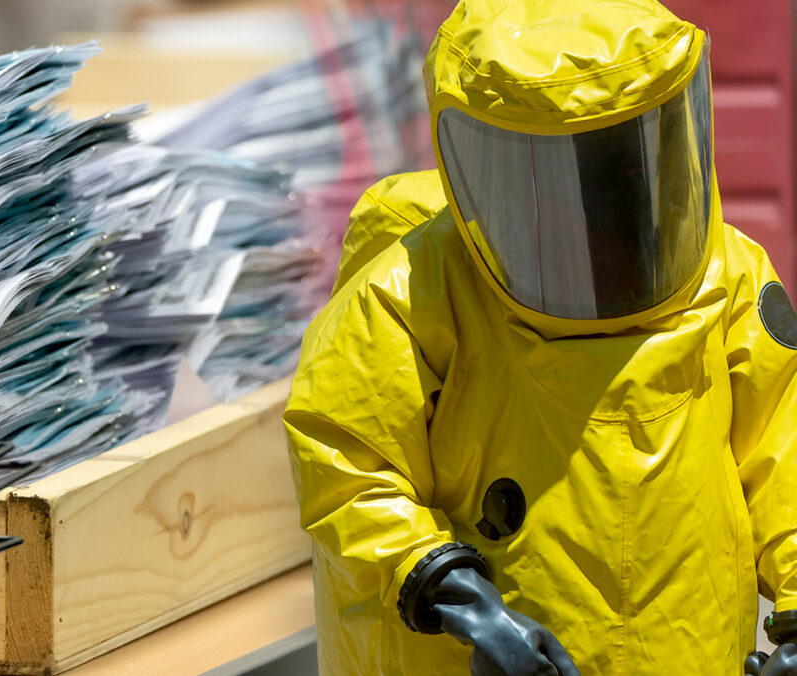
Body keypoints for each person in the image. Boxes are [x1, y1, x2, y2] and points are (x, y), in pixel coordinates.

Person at [283, 0, 797, 673]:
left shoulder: (729, 277)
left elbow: (785, 457)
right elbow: (347, 469)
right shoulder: (411, 294)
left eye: (622, 167)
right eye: (564, 184)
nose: (603, 210)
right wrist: (451, 591)